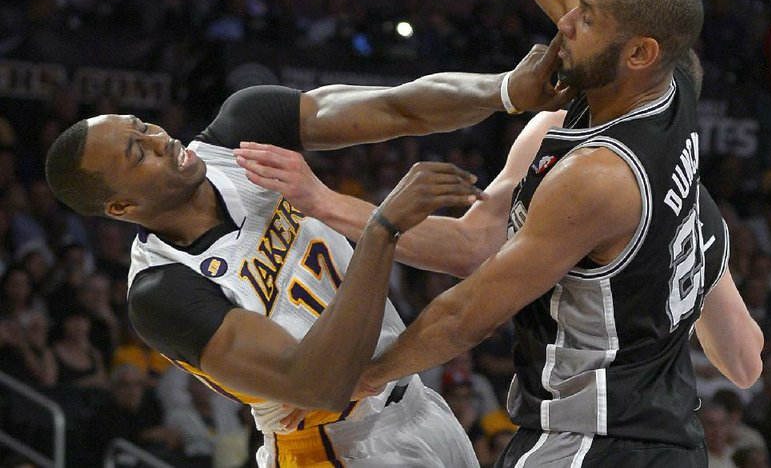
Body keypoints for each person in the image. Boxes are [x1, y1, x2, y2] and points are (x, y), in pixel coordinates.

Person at [238, 0, 764, 465]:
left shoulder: (601, 177)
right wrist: (324, 201)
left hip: (589, 440)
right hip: (671, 438)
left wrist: (359, 378)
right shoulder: (667, 87)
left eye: (586, 18)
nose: (564, 22)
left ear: (639, 53)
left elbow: (469, 314)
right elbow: (745, 362)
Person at [44, 45, 572, 467]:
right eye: (139, 153)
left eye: (143, 126)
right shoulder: (163, 292)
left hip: (415, 403)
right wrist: (381, 228)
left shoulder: (240, 132)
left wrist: (503, 90)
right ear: (121, 206)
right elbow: (319, 382)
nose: (159, 140)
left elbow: (398, 105)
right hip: (333, 447)